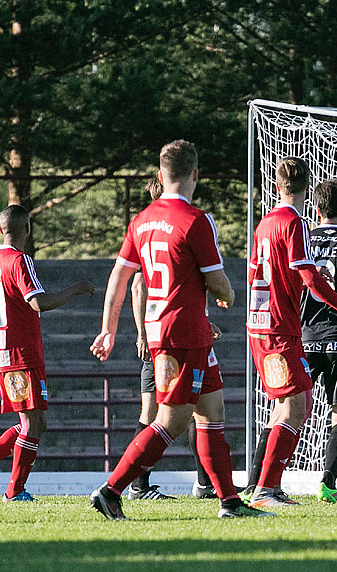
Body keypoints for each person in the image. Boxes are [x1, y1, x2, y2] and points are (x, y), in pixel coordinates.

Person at [89, 139, 270, 519]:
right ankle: (111, 490)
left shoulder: (141, 221)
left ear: (160, 175)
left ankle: (229, 503)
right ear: (195, 175)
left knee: (212, 412)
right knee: (170, 420)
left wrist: (108, 328)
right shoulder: (195, 220)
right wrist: (230, 294)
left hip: (174, 330)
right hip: (182, 331)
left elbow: (120, 277)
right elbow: (220, 285)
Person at [241, 179, 337, 504]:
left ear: (316, 208)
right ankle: (327, 483)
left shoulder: (304, 235)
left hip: (299, 336)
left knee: (281, 409)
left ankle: (255, 482)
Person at [0, 204, 94, 502]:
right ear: (27, 230)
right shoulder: (19, 261)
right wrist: (76, 288)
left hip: (4, 352)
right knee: (33, 424)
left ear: (0, 229)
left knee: (34, 423)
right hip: (21, 354)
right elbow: (38, 303)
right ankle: (14, 490)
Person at [126, 176, 219, 500]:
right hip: (168, 335)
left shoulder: (147, 229)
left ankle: (214, 490)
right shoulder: (165, 229)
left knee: (203, 411)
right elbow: (139, 286)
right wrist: (140, 333)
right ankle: (128, 486)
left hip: (168, 331)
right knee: (165, 417)